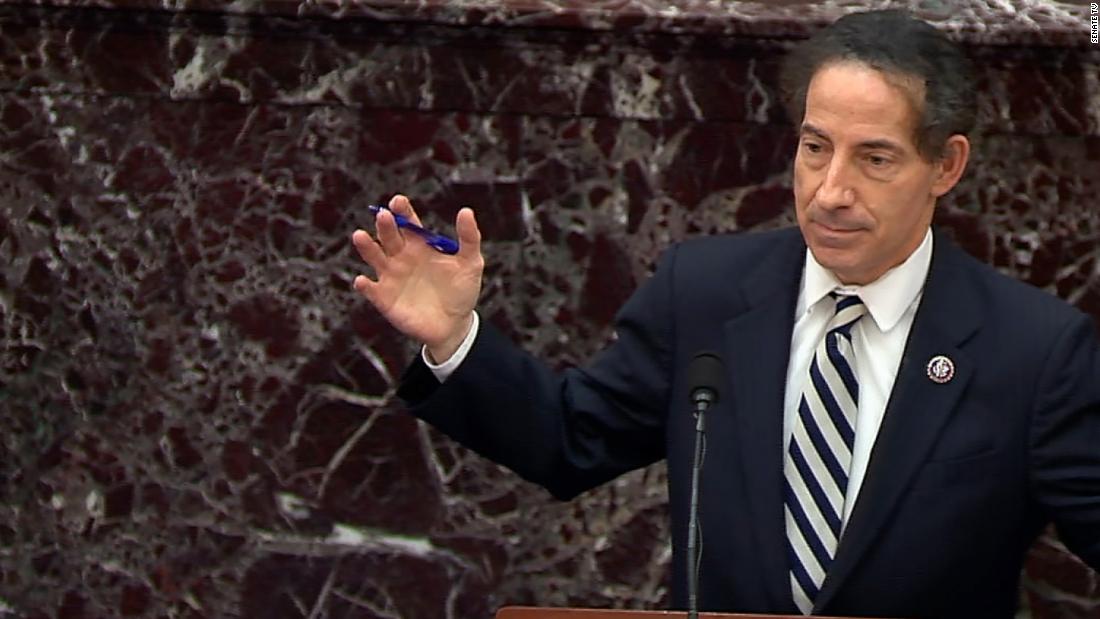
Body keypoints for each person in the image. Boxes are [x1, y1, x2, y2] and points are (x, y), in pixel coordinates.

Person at [350, 9, 1100, 617]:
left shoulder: (1033, 349)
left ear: (946, 165)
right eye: (815, 148)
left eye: (874, 159)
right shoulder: (705, 293)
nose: (831, 191)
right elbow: (568, 440)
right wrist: (454, 339)